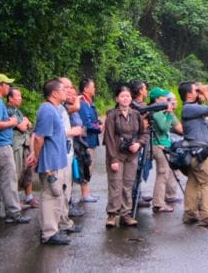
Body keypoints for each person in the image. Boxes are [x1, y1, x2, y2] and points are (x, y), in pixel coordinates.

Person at [28, 78, 81, 245]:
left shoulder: (55, 109)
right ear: (55, 93)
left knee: (57, 194)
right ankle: (48, 233)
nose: (67, 92)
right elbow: (38, 137)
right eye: (63, 90)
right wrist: (36, 156)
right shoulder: (47, 110)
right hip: (50, 162)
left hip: (58, 160)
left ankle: (56, 228)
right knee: (49, 195)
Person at [0, 73, 30, 224]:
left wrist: (9, 121)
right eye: (7, 84)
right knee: (9, 180)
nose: (8, 87)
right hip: (1, 146)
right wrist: (12, 122)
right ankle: (14, 213)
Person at [103, 85, 148, 228]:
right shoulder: (112, 115)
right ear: (117, 98)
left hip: (132, 155)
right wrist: (113, 159)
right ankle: (112, 214)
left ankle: (125, 214)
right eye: (122, 96)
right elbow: (109, 138)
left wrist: (139, 144)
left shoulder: (136, 115)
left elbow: (144, 133)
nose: (125, 98)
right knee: (115, 184)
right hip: (116, 154)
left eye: (128, 96)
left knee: (128, 185)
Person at [179, 81, 208, 227]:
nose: (199, 92)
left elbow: (206, 116)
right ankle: (207, 215)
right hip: (198, 153)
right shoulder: (189, 108)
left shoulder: (192, 109)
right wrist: (205, 93)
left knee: (194, 182)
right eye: (196, 90)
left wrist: (206, 94)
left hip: (194, 152)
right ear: (189, 94)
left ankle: (190, 213)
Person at [148, 87, 183, 213]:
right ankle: (158, 203)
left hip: (162, 143)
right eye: (163, 97)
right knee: (162, 174)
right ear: (157, 99)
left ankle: (160, 201)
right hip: (159, 144)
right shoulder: (156, 111)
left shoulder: (158, 110)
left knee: (165, 173)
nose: (166, 99)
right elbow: (164, 128)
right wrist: (168, 113)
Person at [59, 77, 85, 220]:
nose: (69, 91)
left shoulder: (62, 106)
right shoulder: (55, 107)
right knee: (59, 187)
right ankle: (61, 218)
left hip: (69, 149)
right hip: (60, 151)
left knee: (68, 181)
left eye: (70, 88)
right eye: (66, 87)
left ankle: (65, 215)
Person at [7, 87, 37, 209]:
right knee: (16, 172)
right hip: (16, 146)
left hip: (25, 144)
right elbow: (23, 127)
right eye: (18, 96)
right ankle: (15, 202)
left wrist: (25, 123)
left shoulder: (17, 111)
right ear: (10, 98)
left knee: (28, 170)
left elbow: (28, 124)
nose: (20, 99)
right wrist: (24, 123)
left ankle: (29, 197)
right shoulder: (8, 111)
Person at [78, 78, 102, 202]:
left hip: (91, 139)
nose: (94, 89)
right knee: (87, 166)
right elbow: (86, 123)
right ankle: (85, 194)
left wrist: (98, 123)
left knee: (90, 166)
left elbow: (93, 119)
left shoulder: (89, 102)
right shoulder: (82, 103)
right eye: (92, 87)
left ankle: (87, 192)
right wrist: (99, 128)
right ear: (86, 89)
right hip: (86, 140)